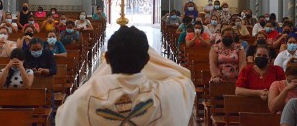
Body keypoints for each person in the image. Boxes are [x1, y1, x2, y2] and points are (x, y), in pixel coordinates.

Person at [56, 26, 195, 126]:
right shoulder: (168, 94)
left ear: (107, 59)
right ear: (147, 60)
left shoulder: (81, 99)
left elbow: (64, 117)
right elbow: (185, 81)